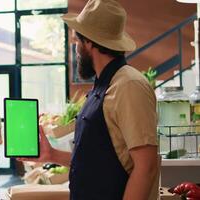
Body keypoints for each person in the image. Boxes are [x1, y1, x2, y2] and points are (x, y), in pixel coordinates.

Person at [20, 0, 159, 199]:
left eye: (76, 41)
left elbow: (147, 167)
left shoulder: (128, 85)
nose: (75, 49)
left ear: (89, 42)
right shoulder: (103, 85)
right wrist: (52, 156)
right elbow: (99, 163)